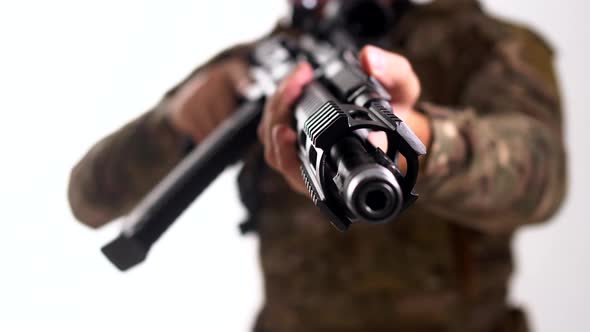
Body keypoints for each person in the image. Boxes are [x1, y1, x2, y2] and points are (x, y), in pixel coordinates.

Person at [67, 0, 567, 331]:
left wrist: (415, 138)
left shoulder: (483, 44)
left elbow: (540, 179)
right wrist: (174, 123)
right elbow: (89, 197)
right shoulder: (255, 63)